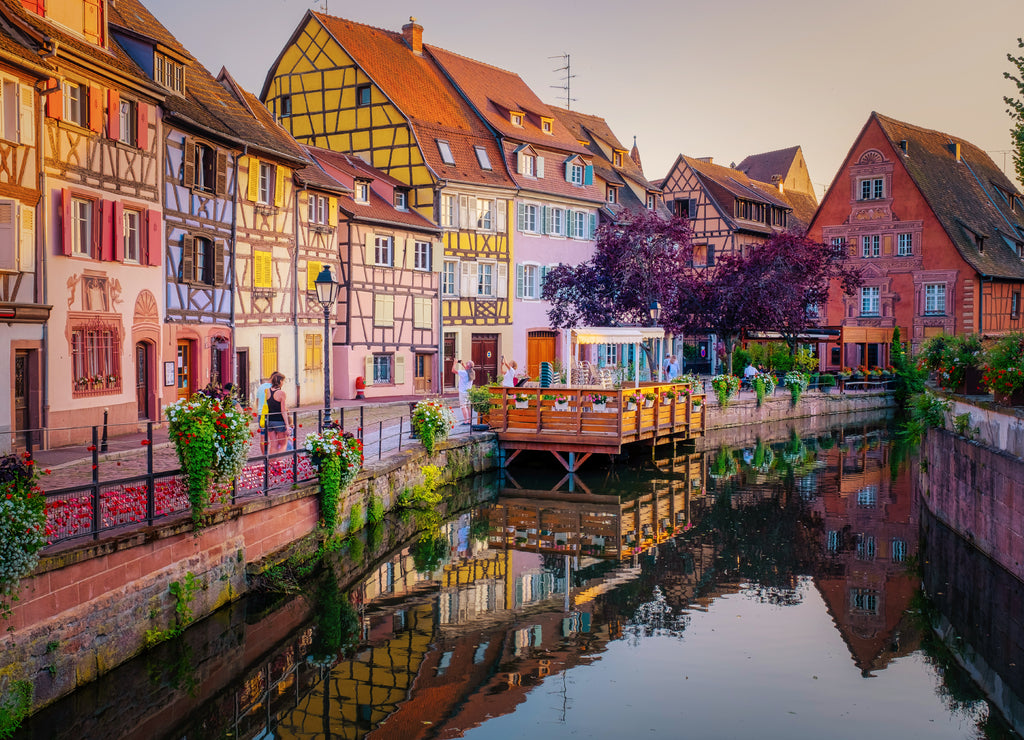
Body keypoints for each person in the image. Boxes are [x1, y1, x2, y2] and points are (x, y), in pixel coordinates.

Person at [265, 371, 291, 453]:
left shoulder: (267, 391)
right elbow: (283, 410)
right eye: (283, 381)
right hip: (279, 421)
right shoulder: (281, 393)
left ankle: (271, 464)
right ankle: (278, 463)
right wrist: (287, 425)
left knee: (273, 445)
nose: (283, 383)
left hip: (270, 420)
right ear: (280, 381)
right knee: (283, 444)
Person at [255, 377, 272, 454]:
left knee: (263, 436)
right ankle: (272, 456)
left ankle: (264, 455)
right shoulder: (273, 387)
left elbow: (257, 401)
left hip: (261, 413)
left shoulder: (260, 387)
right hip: (271, 413)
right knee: (273, 436)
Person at [453, 359, 472, 424]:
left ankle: (465, 421)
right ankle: (470, 420)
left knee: (463, 406)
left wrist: (455, 363)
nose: (465, 365)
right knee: (468, 406)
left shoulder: (463, 373)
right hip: (469, 391)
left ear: (467, 366)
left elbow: (453, 370)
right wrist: (463, 364)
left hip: (463, 392)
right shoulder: (472, 372)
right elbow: (468, 369)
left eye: (466, 365)